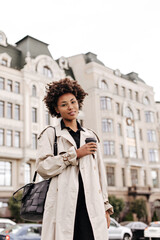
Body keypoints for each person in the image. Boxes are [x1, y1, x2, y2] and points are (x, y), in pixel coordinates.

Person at [36, 78, 113, 240]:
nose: (70, 107)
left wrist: (105, 207)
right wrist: (75, 154)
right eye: (64, 105)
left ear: (79, 102)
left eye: (73, 102)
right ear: (56, 109)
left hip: (91, 208)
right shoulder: (51, 134)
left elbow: (100, 175)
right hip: (63, 208)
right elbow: (43, 168)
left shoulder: (91, 135)